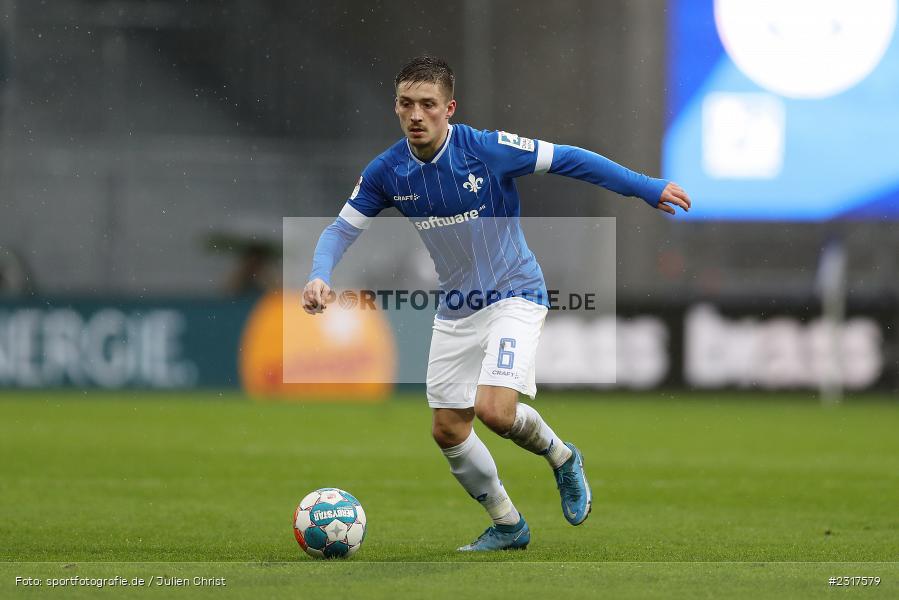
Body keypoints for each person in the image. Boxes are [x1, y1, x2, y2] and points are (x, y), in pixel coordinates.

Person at [302, 56, 691, 551]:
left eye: (428, 104)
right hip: (457, 307)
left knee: (495, 410)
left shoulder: (486, 150)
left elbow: (570, 159)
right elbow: (340, 229)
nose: (416, 114)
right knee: (447, 430)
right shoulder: (387, 171)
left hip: (515, 293)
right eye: (406, 104)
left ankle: (562, 456)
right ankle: (508, 524)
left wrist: (645, 187)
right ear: (395, 107)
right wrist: (319, 275)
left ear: (449, 108)